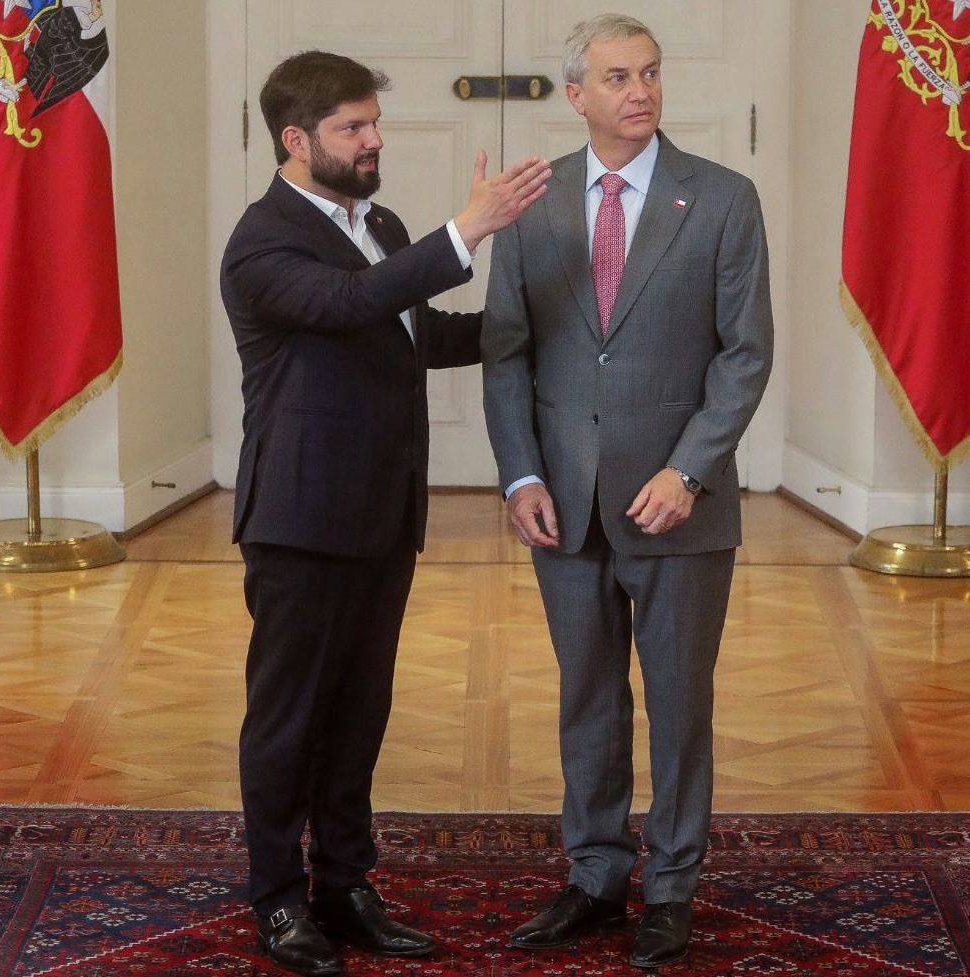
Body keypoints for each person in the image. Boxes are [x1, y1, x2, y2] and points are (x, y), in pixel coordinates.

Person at [220, 50, 550, 977]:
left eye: (374, 123)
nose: (373, 141)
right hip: (299, 518)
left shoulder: (382, 225)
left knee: (359, 711)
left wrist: (541, 328)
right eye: (352, 128)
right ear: (297, 140)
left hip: (381, 512)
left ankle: (344, 884)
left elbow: (412, 331)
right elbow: (350, 301)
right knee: (288, 719)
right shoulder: (262, 241)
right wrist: (468, 228)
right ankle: (278, 900)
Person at [482, 14, 773, 970]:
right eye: (615, 77)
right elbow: (506, 354)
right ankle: (596, 873)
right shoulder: (532, 204)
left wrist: (687, 471)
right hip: (562, 505)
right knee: (588, 698)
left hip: (680, 503)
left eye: (648, 72)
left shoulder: (722, 199)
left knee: (679, 703)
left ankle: (672, 886)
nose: (639, 90)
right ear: (575, 95)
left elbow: (744, 355)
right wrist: (521, 472)